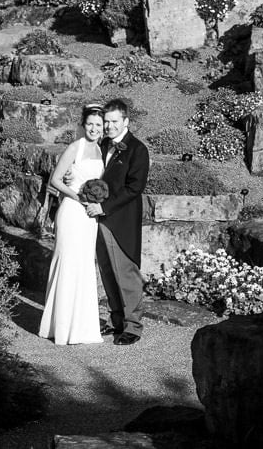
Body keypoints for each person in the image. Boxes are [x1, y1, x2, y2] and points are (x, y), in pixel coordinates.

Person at [83, 99, 150, 346]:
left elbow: (134, 188)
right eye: (106, 121)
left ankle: (133, 326)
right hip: (97, 219)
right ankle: (118, 320)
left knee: (125, 274)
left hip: (120, 220)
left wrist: (104, 206)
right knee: (108, 273)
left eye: (113, 121)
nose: (109, 126)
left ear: (126, 121)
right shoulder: (100, 145)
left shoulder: (137, 149)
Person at [38, 104, 105, 345]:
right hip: (72, 211)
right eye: (90, 124)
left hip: (90, 216)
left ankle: (82, 328)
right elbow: (55, 179)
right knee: (66, 262)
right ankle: (61, 327)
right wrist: (78, 196)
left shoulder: (101, 151)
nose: (94, 128)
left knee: (84, 265)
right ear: (83, 125)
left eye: (98, 125)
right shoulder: (74, 148)